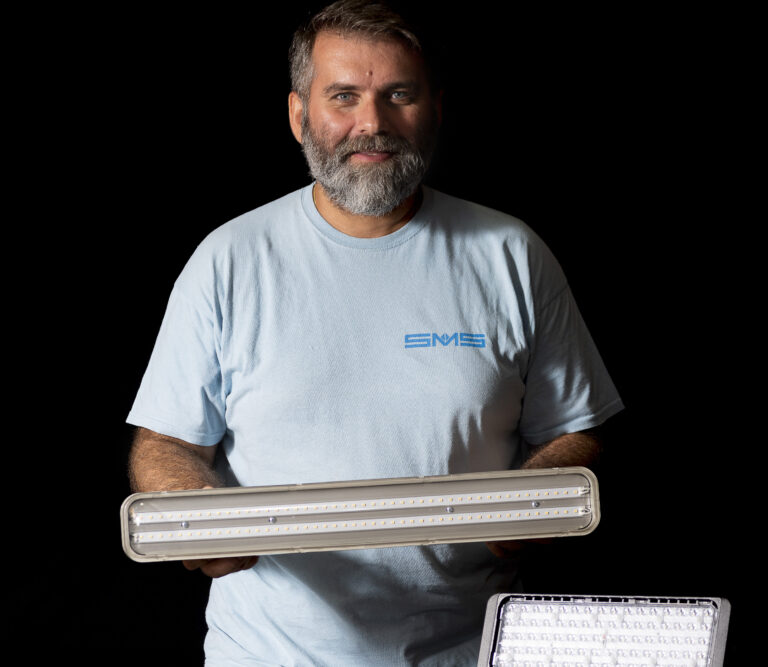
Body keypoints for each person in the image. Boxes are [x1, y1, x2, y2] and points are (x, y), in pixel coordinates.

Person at [127, 1, 624, 664]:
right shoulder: (229, 260)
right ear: (298, 115)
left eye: (399, 95)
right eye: (344, 96)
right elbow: (165, 442)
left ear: (435, 109)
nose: (373, 123)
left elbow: (576, 429)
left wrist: (533, 501)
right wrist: (195, 515)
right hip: (269, 653)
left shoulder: (511, 254)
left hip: (468, 650)